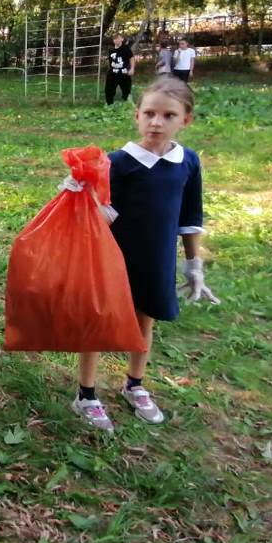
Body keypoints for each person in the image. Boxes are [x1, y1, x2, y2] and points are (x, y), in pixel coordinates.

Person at [68, 75, 219, 432]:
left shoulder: (188, 163)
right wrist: (81, 195)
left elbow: (189, 217)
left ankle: (134, 384)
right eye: (149, 113)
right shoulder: (118, 162)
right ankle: (86, 393)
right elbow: (99, 212)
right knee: (99, 322)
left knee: (144, 320)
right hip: (113, 259)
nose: (156, 122)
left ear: (186, 119)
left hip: (156, 259)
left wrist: (193, 264)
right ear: (136, 115)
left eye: (168, 115)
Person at [105, 34, 135, 105]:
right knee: (109, 89)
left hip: (123, 72)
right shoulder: (111, 50)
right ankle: (109, 104)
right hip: (113, 73)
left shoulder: (126, 48)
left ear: (122, 39)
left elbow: (131, 58)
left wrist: (132, 68)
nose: (116, 40)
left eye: (118, 38)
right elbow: (110, 61)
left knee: (126, 89)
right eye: (115, 39)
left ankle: (128, 103)